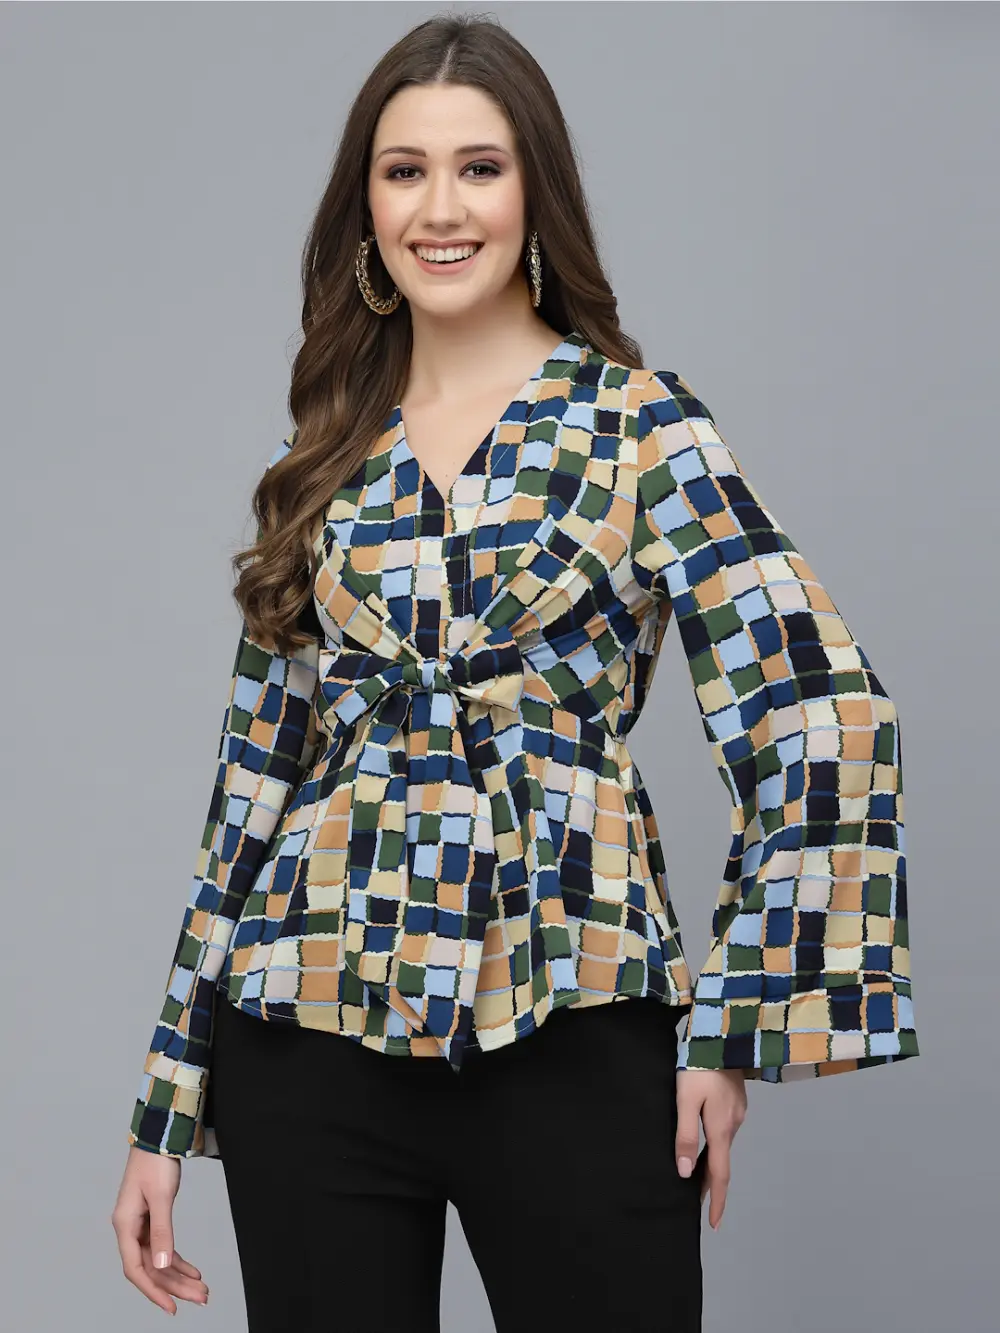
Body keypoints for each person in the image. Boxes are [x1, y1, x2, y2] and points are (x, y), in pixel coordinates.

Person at [111, 13, 918, 1332]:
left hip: (574, 1014)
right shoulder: (323, 455)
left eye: (478, 168)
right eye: (405, 171)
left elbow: (821, 710)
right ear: (366, 208)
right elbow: (250, 789)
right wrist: (164, 1110)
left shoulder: (643, 432)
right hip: (307, 1027)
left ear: (535, 192)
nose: (441, 208)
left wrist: (733, 1024)